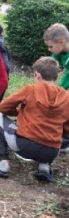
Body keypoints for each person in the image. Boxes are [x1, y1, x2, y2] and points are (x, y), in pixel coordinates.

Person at [0, 57, 69, 182]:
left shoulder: (31, 89)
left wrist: (19, 113)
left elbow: (3, 107)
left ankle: (3, 163)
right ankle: (44, 167)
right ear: (57, 76)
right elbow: (67, 128)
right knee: (56, 135)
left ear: (37, 74)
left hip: (24, 147)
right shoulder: (66, 97)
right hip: (51, 151)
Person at [44, 23, 69, 152]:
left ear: (62, 42)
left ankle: (65, 140)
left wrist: (53, 92)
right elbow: (50, 66)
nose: (49, 49)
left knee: (63, 102)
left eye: (51, 46)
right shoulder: (60, 50)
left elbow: (65, 81)